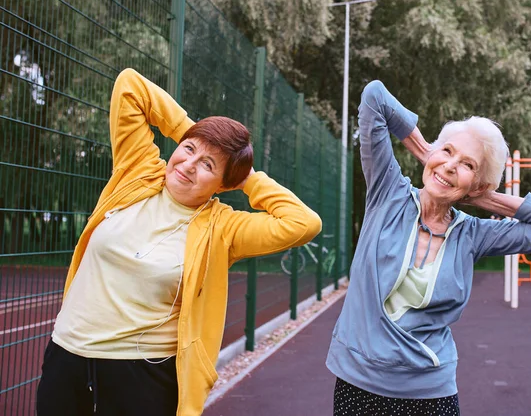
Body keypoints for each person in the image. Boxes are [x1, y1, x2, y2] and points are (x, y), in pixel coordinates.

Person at [36, 68, 322, 416]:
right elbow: (130, 86)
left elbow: (303, 223)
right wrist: (195, 134)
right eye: (187, 149)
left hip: (140, 374)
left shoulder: (224, 228)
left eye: (207, 164)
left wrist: (247, 178)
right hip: (65, 357)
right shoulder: (138, 171)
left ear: (222, 184)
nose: (188, 164)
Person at [326, 80, 531, 415]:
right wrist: (425, 150)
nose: (449, 165)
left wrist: (485, 197)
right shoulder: (388, 193)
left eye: (468, 164)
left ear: (476, 182)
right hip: (358, 384)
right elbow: (375, 96)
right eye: (447, 151)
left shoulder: (473, 234)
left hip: (430, 393)